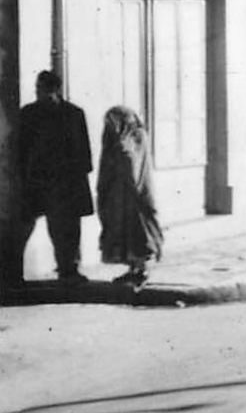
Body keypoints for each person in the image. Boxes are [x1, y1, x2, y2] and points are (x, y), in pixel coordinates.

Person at [10, 70, 94, 287]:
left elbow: (83, 150)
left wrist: (81, 173)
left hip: (66, 183)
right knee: (27, 226)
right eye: (37, 89)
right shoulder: (29, 113)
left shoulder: (74, 113)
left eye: (42, 89)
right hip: (39, 182)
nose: (38, 93)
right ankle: (11, 271)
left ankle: (68, 270)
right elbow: (20, 148)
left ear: (55, 90)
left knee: (67, 229)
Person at [96, 105, 163, 287]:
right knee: (125, 233)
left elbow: (132, 164)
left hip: (134, 196)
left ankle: (142, 270)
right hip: (120, 195)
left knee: (138, 231)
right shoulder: (117, 139)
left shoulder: (135, 136)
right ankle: (133, 270)